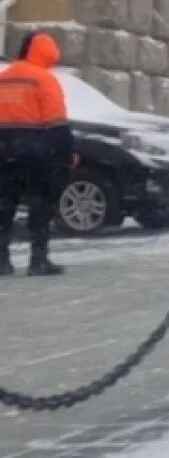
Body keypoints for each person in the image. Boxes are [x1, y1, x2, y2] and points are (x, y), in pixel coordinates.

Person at [0, 32, 74, 276]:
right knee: (40, 205)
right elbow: (57, 123)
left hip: (3, 152)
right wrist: (65, 155)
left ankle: (1, 260)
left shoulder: (4, 77)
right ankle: (38, 260)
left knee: (4, 206)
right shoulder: (44, 79)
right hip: (35, 153)